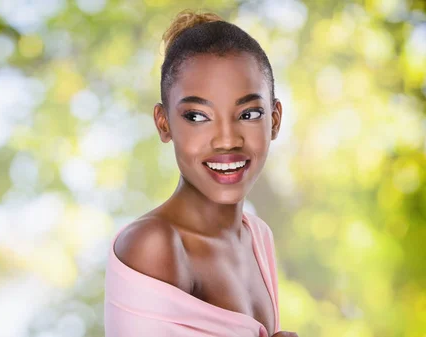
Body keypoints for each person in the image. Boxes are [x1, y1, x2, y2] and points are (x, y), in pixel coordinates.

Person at [103, 9, 299, 337]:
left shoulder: (258, 237)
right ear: (164, 124)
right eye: (197, 117)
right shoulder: (154, 245)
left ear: (275, 120)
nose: (226, 140)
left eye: (249, 113)